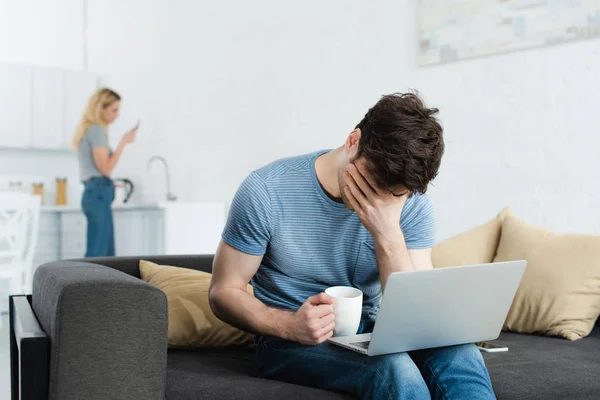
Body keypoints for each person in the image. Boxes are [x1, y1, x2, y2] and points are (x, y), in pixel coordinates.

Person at [209, 92, 496, 399]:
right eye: (372, 184)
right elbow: (223, 292)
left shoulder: (411, 204)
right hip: (289, 340)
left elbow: (418, 315)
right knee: (392, 367)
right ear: (352, 141)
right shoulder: (265, 191)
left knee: (462, 355)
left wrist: (387, 233)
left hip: (371, 329)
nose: (379, 199)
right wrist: (290, 325)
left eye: (393, 194)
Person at [72, 88, 137, 257]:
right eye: (114, 110)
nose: (117, 114)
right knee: (98, 254)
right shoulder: (96, 130)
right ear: (101, 108)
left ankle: (99, 284)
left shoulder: (91, 130)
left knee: (104, 253)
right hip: (98, 192)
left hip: (96, 192)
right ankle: (87, 284)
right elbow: (106, 169)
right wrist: (123, 143)